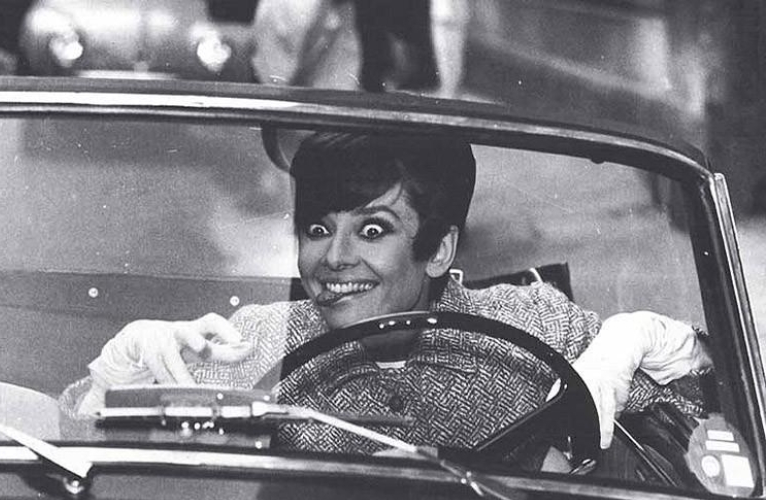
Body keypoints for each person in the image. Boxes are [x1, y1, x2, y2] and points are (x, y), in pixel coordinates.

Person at [61, 132, 712, 469]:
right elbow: (87, 441)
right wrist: (118, 373)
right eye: (317, 228)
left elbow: (704, 410)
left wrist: (641, 339)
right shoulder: (253, 340)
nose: (333, 256)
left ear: (438, 249)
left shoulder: (534, 323)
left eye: (372, 230)